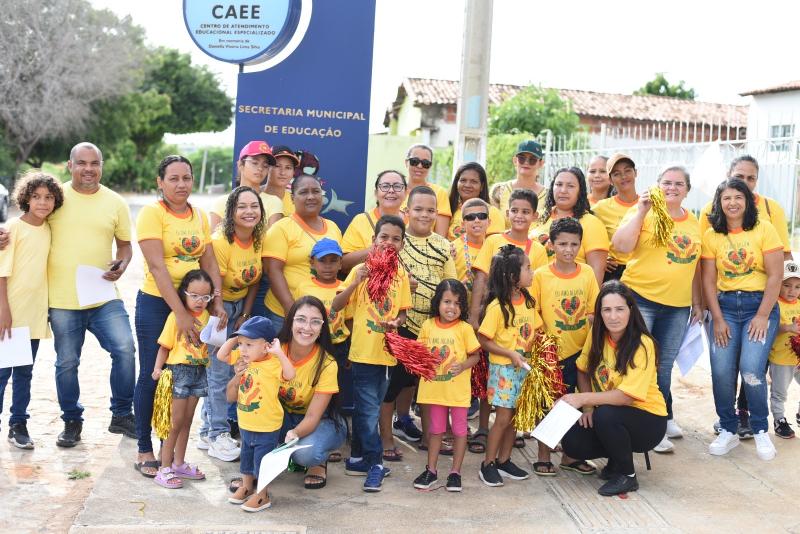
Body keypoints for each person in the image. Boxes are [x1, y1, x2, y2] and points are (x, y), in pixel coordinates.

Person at [15, 143, 136, 448]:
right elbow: (28, 223)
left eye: (95, 163)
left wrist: (122, 265)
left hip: (103, 295)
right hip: (62, 300)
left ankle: (122, 414)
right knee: (67, 363)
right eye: (81, 163)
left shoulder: (115, 202)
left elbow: (125, 246)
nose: (88, 169)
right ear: (70, 166)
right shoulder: (55, 198)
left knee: (125, 348)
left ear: (102, 166)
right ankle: (72, 420)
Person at [133, 155, 226, 477]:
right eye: (173, 178)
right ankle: (144, 448)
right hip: (157, 304)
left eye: (186, 178)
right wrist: (180, 314)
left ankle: (170, 455)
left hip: (194, 305)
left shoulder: (199, 215)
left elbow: (209, 262)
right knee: (154, 374)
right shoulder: (152, 213)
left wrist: (216, 301)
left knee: (183, 379)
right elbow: (157, 267)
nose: (181, 184)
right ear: (160, 182)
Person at [613, 164, 702, 453]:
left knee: (663, 366)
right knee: (642, 362)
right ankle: (650, 426)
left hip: (677, 307)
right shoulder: (643, 211)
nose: (672, 188)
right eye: (667, 182)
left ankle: (662, 417)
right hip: (641, 300)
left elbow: (696, 267)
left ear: (687, 190)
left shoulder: (694, 222)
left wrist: (697, 303)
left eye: (678, 184)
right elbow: (620, 245)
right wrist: (641, 211)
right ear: (657, 185)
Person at [701, 155, 793, 436]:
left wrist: (767, 312)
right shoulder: (711, 224)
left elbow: (780, 267)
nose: (733, 201)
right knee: (722, 369)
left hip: (758, 303)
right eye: (739, 177)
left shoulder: (767, 220)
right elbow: (706, 272)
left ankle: (755, 424)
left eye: (749, 180)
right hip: (724, 305)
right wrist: (712, 314)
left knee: (751, 367)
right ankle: (728, 425)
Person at [560, 281, 667, 497]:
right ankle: (616, 461)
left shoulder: (643, 344)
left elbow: (626, 397)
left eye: (620, 309)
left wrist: (583, 399)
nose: (613, 316)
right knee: (572, 442)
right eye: (606, 310)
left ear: (631, 310)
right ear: (599, 313)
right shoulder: (598, 334)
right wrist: (588, 408)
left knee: (606, 415)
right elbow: (582, 370)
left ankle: (627, 476)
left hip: (648, 420)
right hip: (611, 415)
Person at [331, 215, 411, 492]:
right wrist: (355, 282)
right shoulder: (360, 270)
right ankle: (375, 463)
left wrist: (396, 323)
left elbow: (402, 313)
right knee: (367, 413)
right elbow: (336, 305)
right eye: (384, 237)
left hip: (387, 355)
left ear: (402, 244)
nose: (389, 242)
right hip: (363, 355)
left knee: (370, 409)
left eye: (396, 239)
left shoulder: (401, 276)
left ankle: (357, 459)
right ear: (373, 240)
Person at [382, 185, 456, 458]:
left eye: (431, 210)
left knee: (427, 385)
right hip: (400, 327)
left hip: (432, 328)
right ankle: (386, 440)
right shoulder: (397, 243)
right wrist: (403, 286)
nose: (425, 215)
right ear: (407, 211)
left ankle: (428, 437)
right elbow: (380, 282)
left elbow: (451, 285)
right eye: (419, 209)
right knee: (392, 386)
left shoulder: (443, 245)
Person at [198, 186, 267, 461]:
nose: (249, 212)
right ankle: (218, 435)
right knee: (218, 373)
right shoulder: (221, 242)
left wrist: (245, 314)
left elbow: (255, 280)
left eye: (254, 206)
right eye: (242, 207)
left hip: (239, 307)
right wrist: (218, 307)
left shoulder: (258, 239)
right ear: (231, 212)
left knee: (225, 371)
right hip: (220, 308)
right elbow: (214, 280)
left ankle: (207, 430)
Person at [0, 171, 63, 449]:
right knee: (2, 374)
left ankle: (18, 425)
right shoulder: (13, 228)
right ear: (25, 198)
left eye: (49, 197)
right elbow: (2, 271)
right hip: (10, 314)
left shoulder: (49, 229)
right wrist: (3, 309)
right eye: (36, 196)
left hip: (34, 316)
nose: (42, 202)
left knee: (24, 373)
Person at [531, 217, 599, 475]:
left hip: (580, 351)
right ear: (551, 244)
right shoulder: (541, 275)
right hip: (550, 353)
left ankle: (570, 456)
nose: (568, 250)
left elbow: (594, 310)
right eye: (562, 244)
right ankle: (543, 455)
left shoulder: (587, 273)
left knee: (575, 404)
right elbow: (533, 312)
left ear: (581, 245)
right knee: (549, 405)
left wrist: (586, 319)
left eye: (574, 244)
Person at [477, 245, 541, 487]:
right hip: (504, 370)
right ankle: (488, 464)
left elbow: (535, 330)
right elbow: (484, 339)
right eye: (528, 268)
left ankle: (504, 460)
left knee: (515, 418)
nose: (532, 272)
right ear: (513, 276)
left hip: (523, 369)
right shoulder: (497, 307)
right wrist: (509, 353)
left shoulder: (528, 302)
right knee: (503, 418)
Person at [413, 280, 481, 492]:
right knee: (435, 431)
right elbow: (419, 352)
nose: (452, 307)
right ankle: (431, 470)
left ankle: (455, 473)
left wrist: (462, 366)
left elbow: (476, 356)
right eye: (447, 302)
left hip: (457, 392)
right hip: (435, 391)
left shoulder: (465, 329)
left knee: (460, 431)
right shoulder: (427, 326)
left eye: (457, 303)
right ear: (438, 302)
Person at [221, 317, 295, 512]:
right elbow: (221, 355)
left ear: (265, 347)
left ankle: (262, 495)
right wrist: (235, 337)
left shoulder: (274, 363)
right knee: (246, 456)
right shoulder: (244, 360)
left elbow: (290, 375)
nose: (243, 349)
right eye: (241, 344)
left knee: (262, 461)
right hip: (246, 421)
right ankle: (246, 487)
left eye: (249, 344)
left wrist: (279, 352)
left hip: (267, 424)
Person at [151, 270, 214, 489]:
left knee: (187, 421)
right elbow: (164, 346)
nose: (199, 301)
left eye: (205, 297)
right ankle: (164, 467)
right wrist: (157, 368)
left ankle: (179, 463)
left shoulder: (208, 318)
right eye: (194, 295)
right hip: (178, 372)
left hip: (199, 371)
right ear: (184, 293)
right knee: (175, 422)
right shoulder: (175, 317)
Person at [276, 296, 347, 489]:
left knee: (306, 454)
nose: (307, 327)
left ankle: (319, 461)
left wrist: (294, 433)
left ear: (322, 328)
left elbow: (313, 417)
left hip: (321, 421)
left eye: (315, 322)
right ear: (290, 321)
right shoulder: (275, 350)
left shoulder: (327, 363)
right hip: (283, 417)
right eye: (301, 319)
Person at [294, 238, 351, 460]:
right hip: (314, 346)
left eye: (333, 261)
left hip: (339, 346)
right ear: (312, 263)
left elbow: (349, 319)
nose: (328, 266)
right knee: (316, 391)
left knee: (338, 393)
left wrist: (351, 350)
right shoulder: (304, 286)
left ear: (340, 263)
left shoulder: (344, 287)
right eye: (322, 261)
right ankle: (313, 431)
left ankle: (332, 436)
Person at [263, 174, 342, 332]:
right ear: (292, 198)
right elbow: (272, 271)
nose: (311, 196)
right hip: (283, 314)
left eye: (316, 191)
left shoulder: (333, 227)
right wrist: (291, 309)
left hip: (322, 316)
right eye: (304, 192)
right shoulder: (281, 228)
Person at [469, 189, 548, 331]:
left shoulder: (539, 250)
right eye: (514, 211)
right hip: (494, 315)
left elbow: (540, 288)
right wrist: (474, 316)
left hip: (525, 318)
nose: (519, 216)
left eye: (525, 212)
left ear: (535, 216)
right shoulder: (493, 240)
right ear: (507, 213)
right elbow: (481, 278)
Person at [699, 155, 792, 260]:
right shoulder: (709, 210)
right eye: (739, 176)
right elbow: (702, 253)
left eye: (751, 178)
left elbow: (785, 253)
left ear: (756, 180)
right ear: (728, 175)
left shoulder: (772, 208)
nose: (745, 182)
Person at [530, 167, 609, 285]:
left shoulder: (592, 223)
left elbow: (596, 273)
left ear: (580, 191)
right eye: (559, 184)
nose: (563, 190)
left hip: (570, 292)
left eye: (570, 186)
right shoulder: (537, 217)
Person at [341, 170, 407, 273]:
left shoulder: (414, 220)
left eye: (397, 186)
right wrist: (374, 249)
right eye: (385, 186)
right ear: (376, 193)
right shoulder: (361, 220)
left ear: (406, 193)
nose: (391, 190)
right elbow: (343, 264)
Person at [208, 141, 279, 230]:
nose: (260, 168)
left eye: (265, 165)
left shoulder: (274, 202)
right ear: (240, 165)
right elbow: (214, 237)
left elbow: (273, 237)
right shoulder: (221, 202)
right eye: (255, 163)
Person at [593, 153, 639, 281]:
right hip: (615, 272)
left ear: (636, 173)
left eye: (628, 171)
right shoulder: (600, 208)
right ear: (610, 180)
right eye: (617, 174)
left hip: (642, 269)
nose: (623, 176)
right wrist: (601, 258)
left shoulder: (648, 205)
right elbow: (587, 238)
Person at [768, 260, 800, 439]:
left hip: (798, 358)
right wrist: (788, 328)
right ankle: (779, 419)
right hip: (781, 358)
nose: (792, 291)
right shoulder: (774, 304)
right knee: (779, 392)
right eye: (787, 285)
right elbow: (770, 328)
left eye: (797, 287)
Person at [399, 144, 451, 237]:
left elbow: (440, 237)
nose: (419, 166)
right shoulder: (395, 191)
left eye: (425, 163)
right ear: (406, 162)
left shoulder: (439, 193)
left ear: (430, 166)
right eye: (414, 161)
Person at [492, 140, 548, 225]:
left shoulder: (548, 196)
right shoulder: (499, 191)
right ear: (515, 160)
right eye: (522, 158)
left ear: (541, 163)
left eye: (532, 160)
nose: (526, 162)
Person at [446, 162, 504, 241]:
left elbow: (494, 244)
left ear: (482, 186)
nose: (467, 185)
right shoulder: (449, 207)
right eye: (463, 180)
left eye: (474, 181)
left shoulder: (492, 212)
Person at [264, 145, 301, 224]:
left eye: (288, 167)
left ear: (293, 172)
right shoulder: (254, 196)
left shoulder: (297, 202)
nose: (283, 172)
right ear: (267, 167)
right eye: (277, 166)